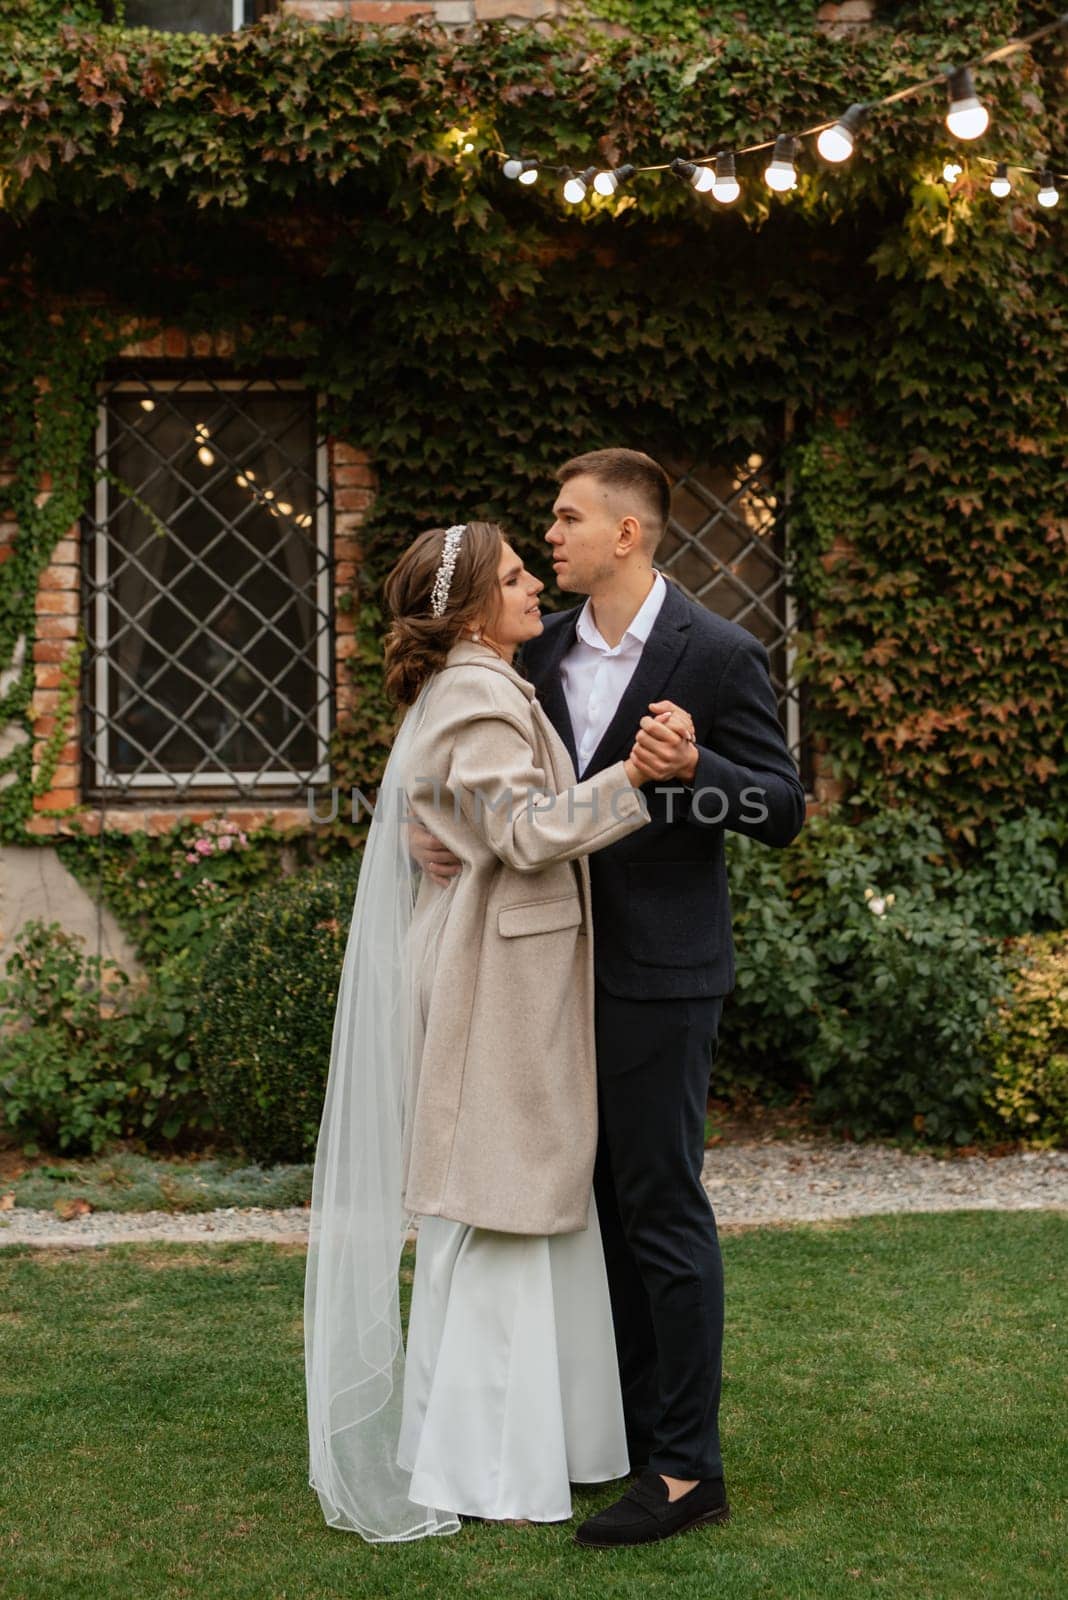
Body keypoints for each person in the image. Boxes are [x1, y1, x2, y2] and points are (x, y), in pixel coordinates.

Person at [413, 449, 806, 1548]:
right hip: (543, 976)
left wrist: (696, 777)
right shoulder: (532, 654)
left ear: (626, 535)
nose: (552, 535)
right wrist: (422, 819)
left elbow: (781, 807)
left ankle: (687, 1470)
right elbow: (486, 775)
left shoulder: (717, 652)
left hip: (660, 975)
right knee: (587, 1213)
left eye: (568, 517)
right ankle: (623, 1433)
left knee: (661, 1208)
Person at [304, 519, 676, 1542]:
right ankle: (490, 1462)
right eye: (515, 577)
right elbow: (519, 830)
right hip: (491, 975)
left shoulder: (481, 683)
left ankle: (537, 1443)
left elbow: (470, 818)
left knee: (523, 1197)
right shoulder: (475, 691)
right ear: (469, 609)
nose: (534, 590)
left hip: (509, 967)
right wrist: (633, 781)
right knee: (503, 1200)